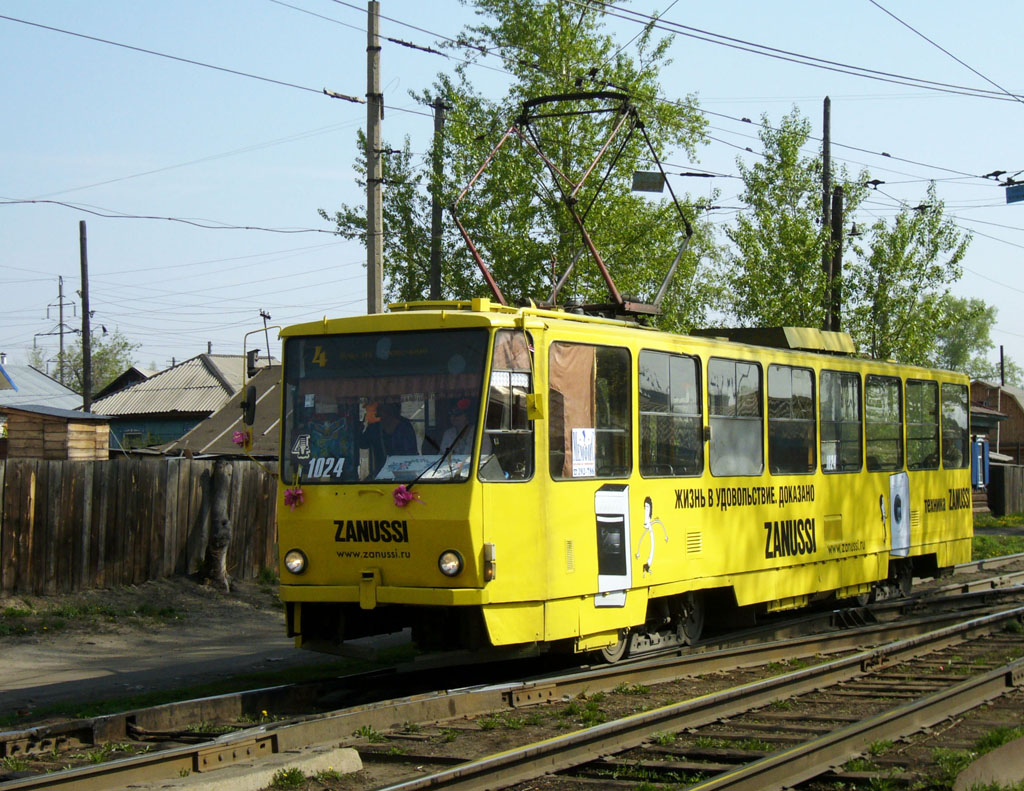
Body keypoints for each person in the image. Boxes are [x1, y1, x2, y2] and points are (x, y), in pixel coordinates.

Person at [360, 401, 418, 476]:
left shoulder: (404, 426)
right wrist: (359, 430)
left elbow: (411, 454)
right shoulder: (375, 427)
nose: (380, 412)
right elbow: (363, 444)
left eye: (385, 409)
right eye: (380, 409)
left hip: (404, 474)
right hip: (380, 475)